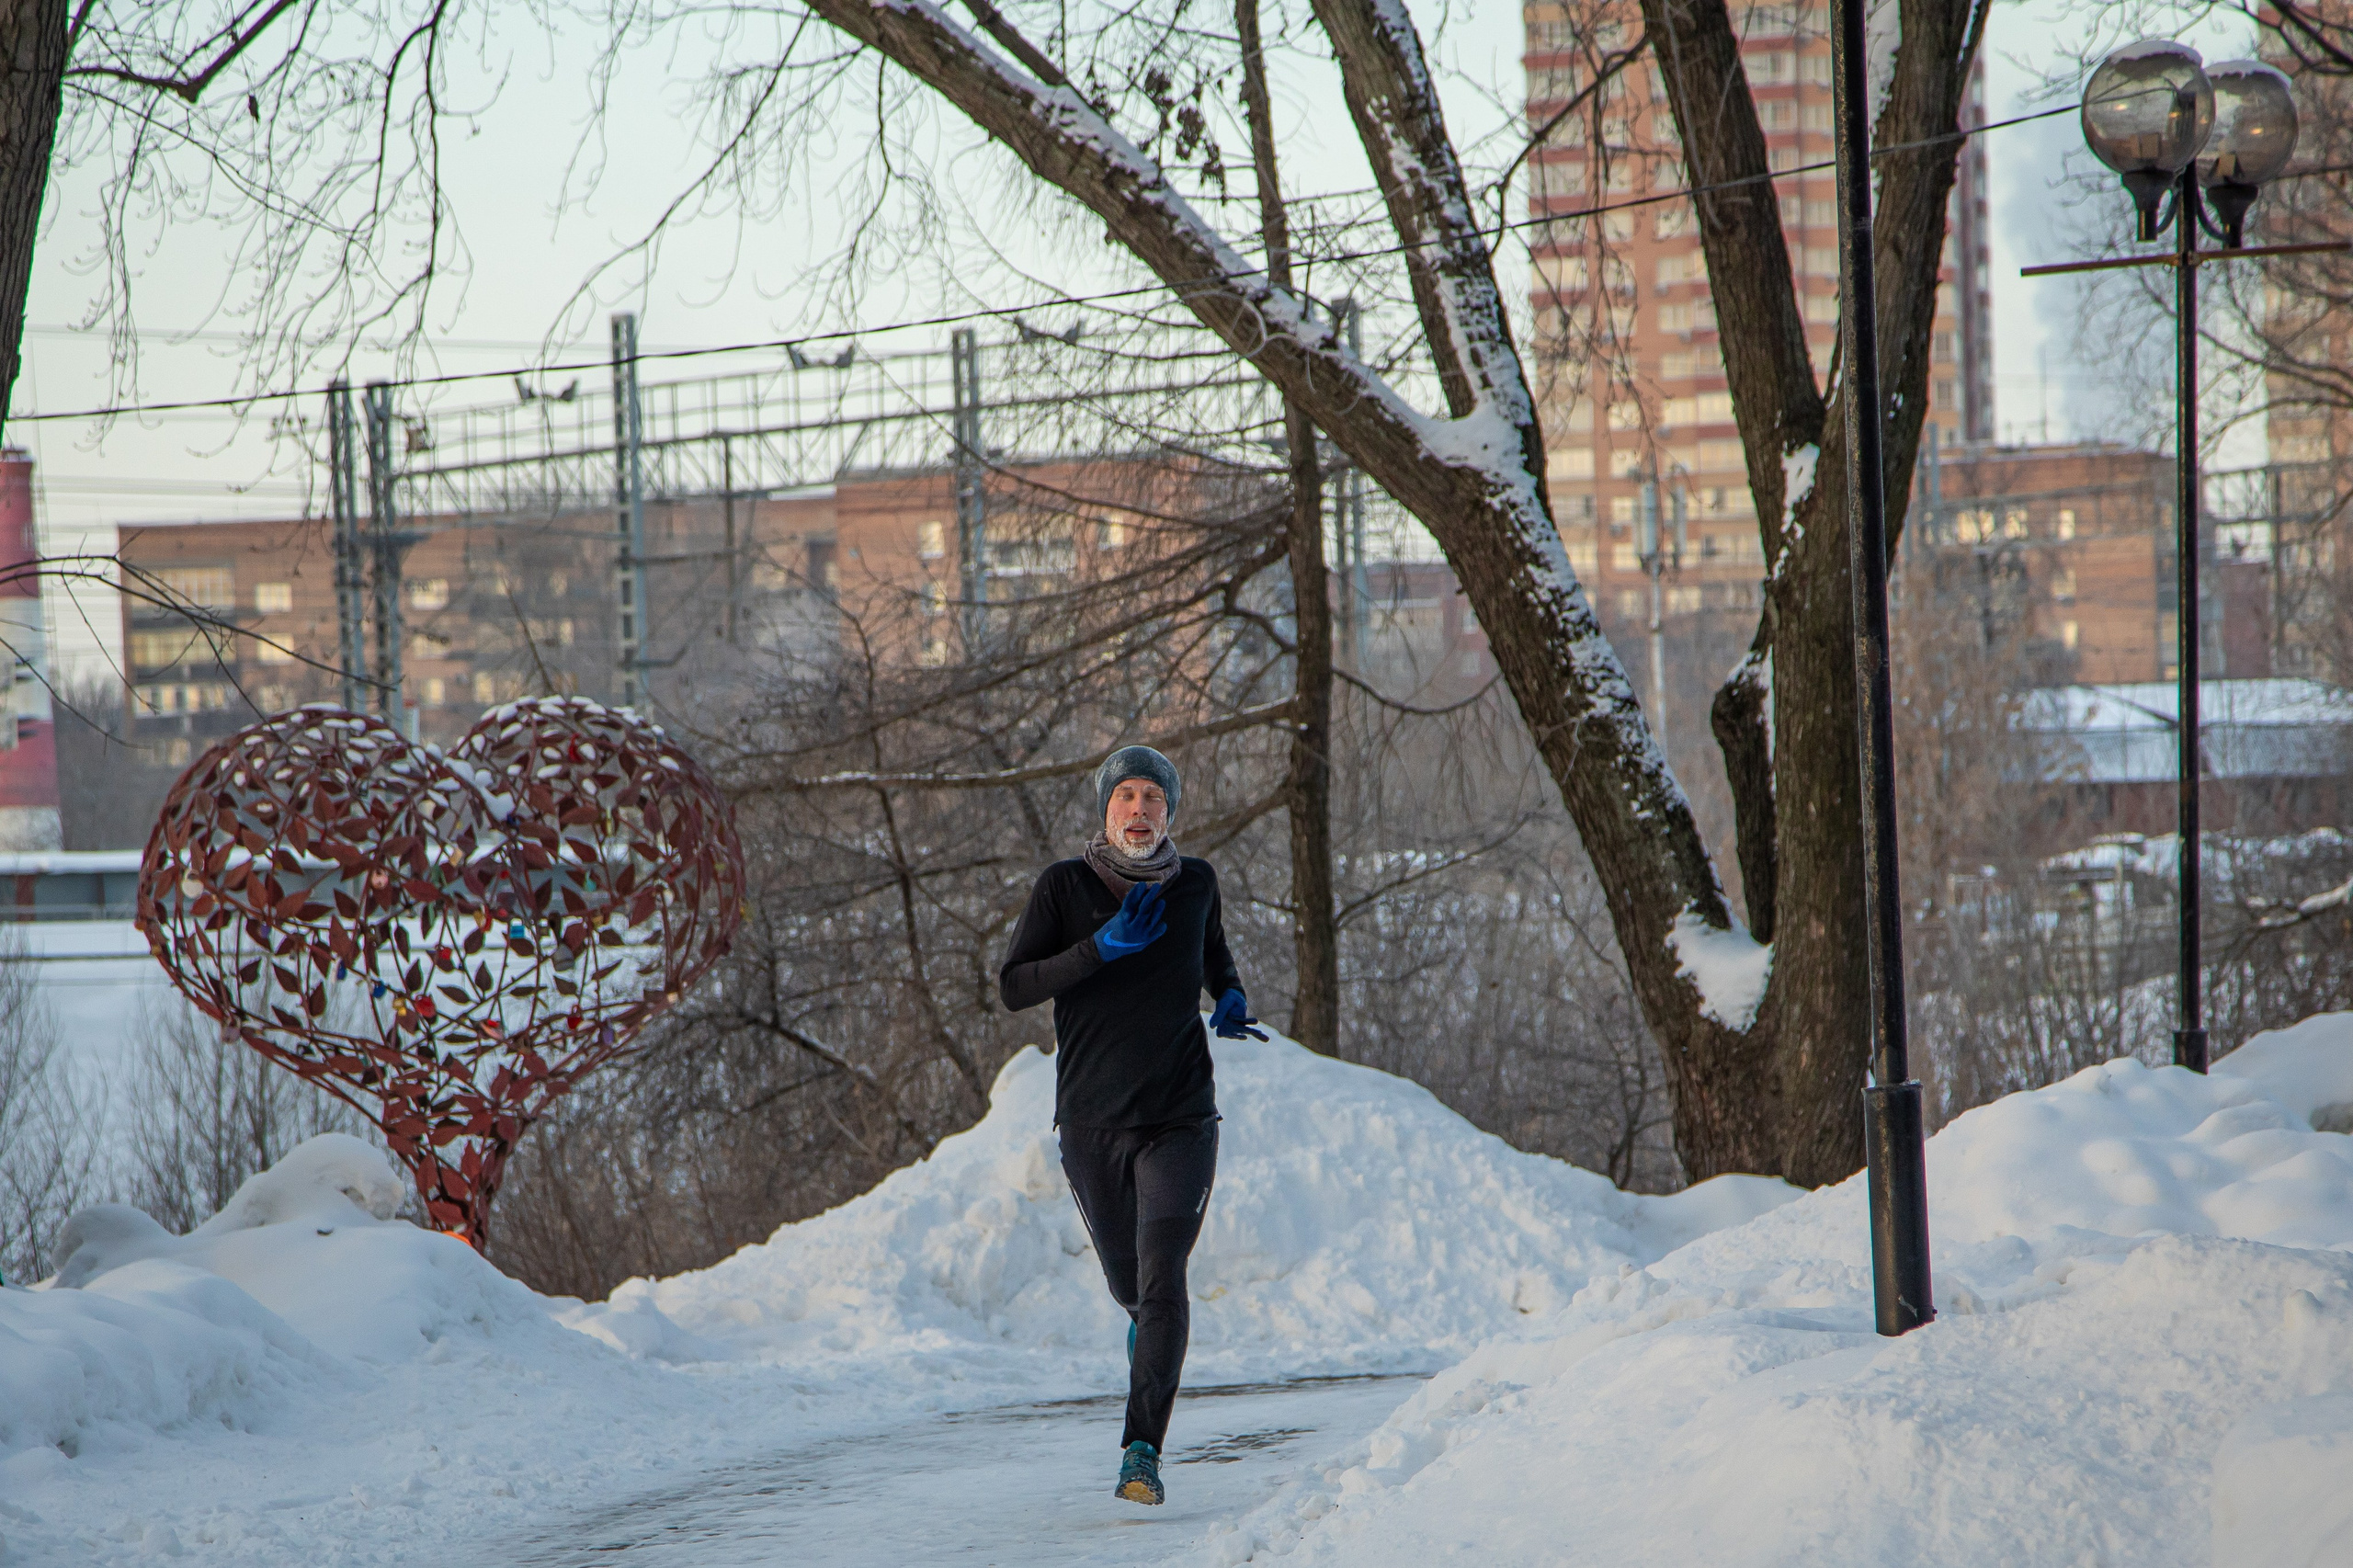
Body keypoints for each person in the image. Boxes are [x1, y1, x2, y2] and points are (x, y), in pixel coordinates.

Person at [997, 744, 1267, 1507]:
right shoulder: (1064, 888)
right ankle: (1148, 1345)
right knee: (1134, 1293)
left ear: (1169, 812)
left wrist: (1234, 996)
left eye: (1154, 797)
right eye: (1127, 797)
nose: (1140, 810)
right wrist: (1097, 950)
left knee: (1163, 1280)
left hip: (1182, 1117)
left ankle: (1140, 1451)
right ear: (1105, 809)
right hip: (1090, 1124)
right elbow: (1015, 985)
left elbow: (1214, 957)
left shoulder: (1197, 884)